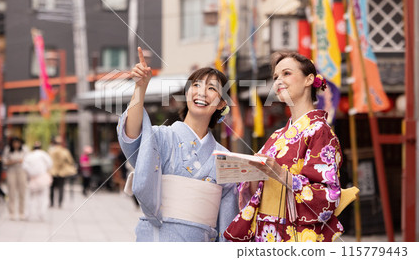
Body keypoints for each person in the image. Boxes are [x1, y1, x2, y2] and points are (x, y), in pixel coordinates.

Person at [117, 47, 238, 242]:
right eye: (196, 85)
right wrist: (140, 88)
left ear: (222, 103)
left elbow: (227, 224)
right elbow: (132, 134)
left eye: (212, 88)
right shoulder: (162, 137)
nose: (202, 92)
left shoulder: (225, 158)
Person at [224, 52, 344, 242]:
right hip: (266, 231)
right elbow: (256, 189)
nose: (279, 80)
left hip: (295, 233)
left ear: (309, 79)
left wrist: (280, 174)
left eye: (286, 73)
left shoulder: (320, 131)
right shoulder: (276, 136)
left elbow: (327, 197)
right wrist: (249, 174)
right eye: (275, 77)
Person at [22, 141, 53, 221]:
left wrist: (31, 172)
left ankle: (28, 214)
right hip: (43, 178)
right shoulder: (44, 154)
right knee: (43, 197)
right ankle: (42, 214)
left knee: (30, 197)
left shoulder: (29, 155)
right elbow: (50, 164)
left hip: (33, 179)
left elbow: (24, 166)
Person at [3, 137, 28, 220]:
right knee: (11, 193)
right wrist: (12, 161)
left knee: (22, 193)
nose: (16, 144)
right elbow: (4, 161)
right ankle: (12, 212)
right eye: (14, 143)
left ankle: (21, 212)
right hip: (11, 172)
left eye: (18, 143)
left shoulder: (24, 149)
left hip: (22, 172)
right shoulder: (8, 149)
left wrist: (21, 161)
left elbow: (28, 160)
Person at [48, 136, 76, 208]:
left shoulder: (51, 151)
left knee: (52, 188)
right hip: (62, 172)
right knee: (61, 187)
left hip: (53, 171)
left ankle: (52, 203)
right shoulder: (65, 151)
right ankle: (60, 203)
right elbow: (70, 161)